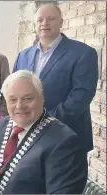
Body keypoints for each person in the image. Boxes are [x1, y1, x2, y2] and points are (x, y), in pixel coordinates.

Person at [0, 70, 87, 194]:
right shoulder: (1, 125)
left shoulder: (65, 142)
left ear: (42, 97)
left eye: (28, 99)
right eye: (12, 99)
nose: (19, 106)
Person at [13, 4, 98, 155]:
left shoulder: (83, 53)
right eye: (40, 20)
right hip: (28, 135)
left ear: (61, 22)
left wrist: (43, 122)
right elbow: (13, 89)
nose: (44, 23)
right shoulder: (23, 55)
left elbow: (81, 95)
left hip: (66, 136)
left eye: (50, 18)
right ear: (35, 24)